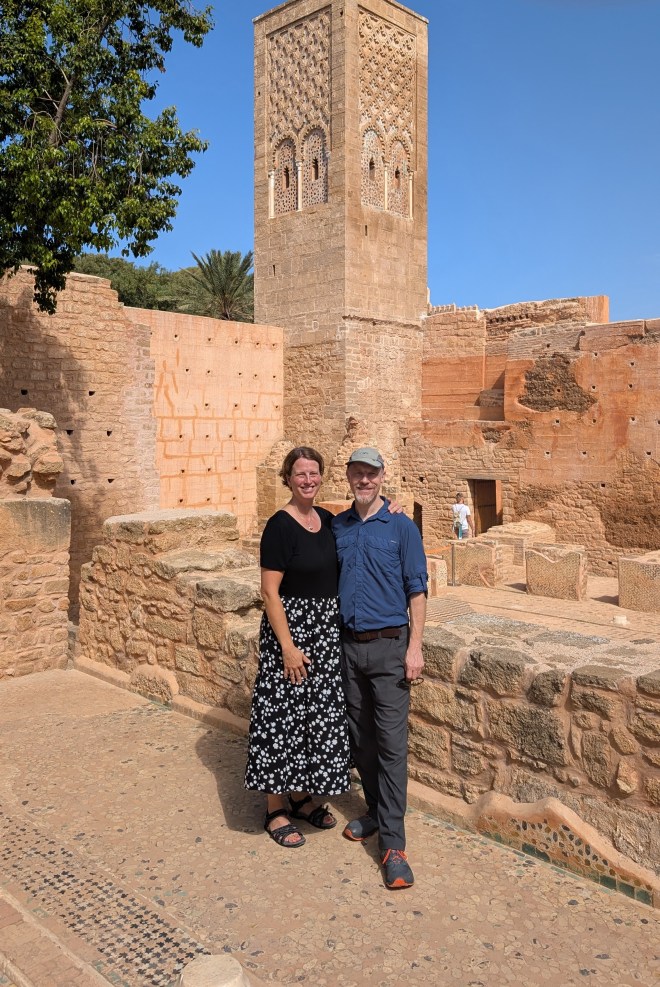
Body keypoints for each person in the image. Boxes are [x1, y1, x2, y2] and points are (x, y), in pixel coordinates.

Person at [244, 446, 350, 848]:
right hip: (289, 634)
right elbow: (270, 593)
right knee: (281, 718)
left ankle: (302, 796)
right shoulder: (279, 526)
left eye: (314, 474)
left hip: (323, 635)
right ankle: (275, 808)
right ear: (287, 479)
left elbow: (361, 522)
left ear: (322, 477)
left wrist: (389, 506)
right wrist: (287, 646)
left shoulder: (325, 520)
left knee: (313, 718)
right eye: (300, 474)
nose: (308, 480)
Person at [332, 447, 428, 889]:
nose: (364, 480)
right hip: (349, 649)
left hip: (391, 648)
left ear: (382, 477)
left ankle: (393, 845)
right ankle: (373, 811)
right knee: (361, 741)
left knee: (391, 746)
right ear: (349, 477)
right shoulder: (339, 526)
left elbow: (417, 590)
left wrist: (415, 647)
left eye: (371, 474)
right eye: (357, 474)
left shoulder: (402, 527)